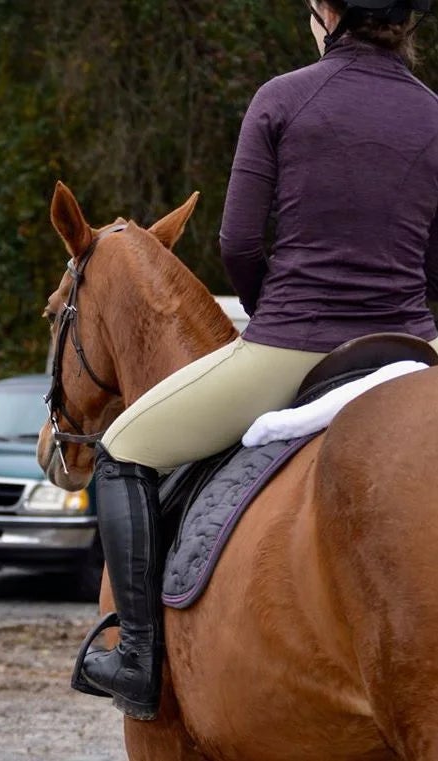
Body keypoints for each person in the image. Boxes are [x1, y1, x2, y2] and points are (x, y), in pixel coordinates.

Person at [73, 0, 438, 721]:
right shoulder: (433, 112)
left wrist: (281, 314)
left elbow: (239, 242)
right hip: (412, 347)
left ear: (326, 14)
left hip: (295, 341)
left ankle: (138, 657)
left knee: (121, 447)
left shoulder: (281, 98)